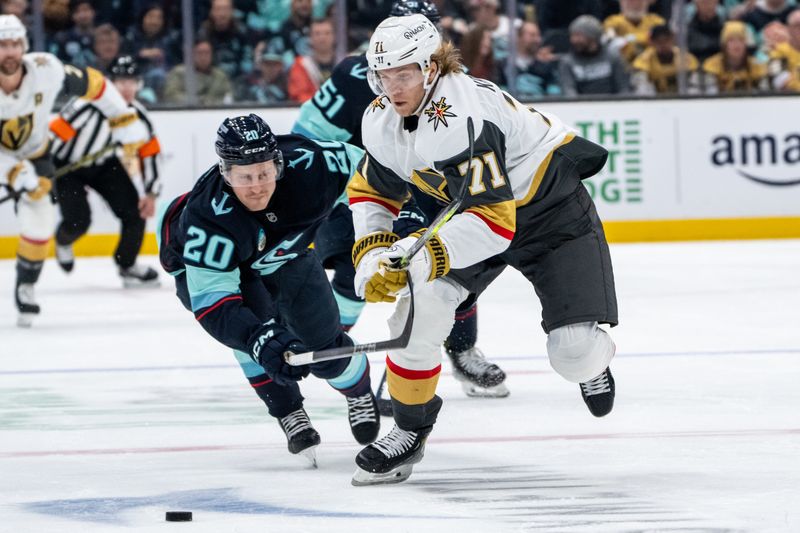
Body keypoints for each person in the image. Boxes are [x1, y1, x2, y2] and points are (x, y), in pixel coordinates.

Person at [348, 13, 617, 485]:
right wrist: (372, 253)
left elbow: (495, 224)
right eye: (384, 75)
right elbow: (373, 190)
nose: (393, 88)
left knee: (572, 353)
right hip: (470, 213)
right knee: (418, 310)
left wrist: (415, 255)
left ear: (432, 68)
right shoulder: (380, 119)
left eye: (404, 74)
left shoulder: (460, 115)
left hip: (549, 213)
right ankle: (409, 431)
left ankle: (590, 360)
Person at [292, 0, 510, 403]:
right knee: (353, 274)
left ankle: (452, 353)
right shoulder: (352, 75)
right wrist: (354, 180)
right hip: (362, 189)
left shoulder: (450, 83)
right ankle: (327, 348)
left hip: (427, 193)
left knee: (442, 269)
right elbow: (305, 134)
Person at [156, 114, 380, 464]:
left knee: (326, 350)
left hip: (289, 258)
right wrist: (256, 338)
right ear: (226, 173)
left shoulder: (311, 164)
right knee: (258, 338)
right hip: (227, 274)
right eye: (245, 177)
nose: (257, 186)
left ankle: (358, 390)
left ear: (279, 163)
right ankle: (287, 409)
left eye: (264, 172)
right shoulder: (208, 218)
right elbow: (215, 304)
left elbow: (375, 172)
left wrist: (409, 215)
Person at [0, 14, 148, 327]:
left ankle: (25, 285)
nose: (9, 52)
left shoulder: (46, 70)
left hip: (36, 156)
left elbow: (96, 84)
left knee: (38, 226)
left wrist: (122, 120)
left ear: (23, 46)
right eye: (2, 45)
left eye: (15, 44)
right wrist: (15, 174)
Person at [50, 55, 161, 286]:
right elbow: (54, 137)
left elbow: (149, 153)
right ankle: (63, 240)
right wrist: (46, 174)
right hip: (67, 167)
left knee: (135, 212)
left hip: (104, 166)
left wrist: (151, 192)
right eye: (121, 81)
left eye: (132, 81)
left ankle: (127, 265)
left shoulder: (138, 115)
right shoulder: (84, 105)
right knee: (79, 221)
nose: (127, 87)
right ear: (110, 83)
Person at [559, 15, 631, 96]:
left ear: (592, 37)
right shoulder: (567, 62)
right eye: (572, 36)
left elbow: (624, 88)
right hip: (581, 106)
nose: (574, 40)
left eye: (578, 35)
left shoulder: (613, 57)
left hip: (612, 105)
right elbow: (569, 91)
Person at [631, 24, 704, 95]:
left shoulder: (685, 57)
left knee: (694, 83)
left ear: (673, 39)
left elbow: (695, 85)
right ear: (652, 42)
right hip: (655, 99)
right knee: (641, 81)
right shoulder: (645, 58)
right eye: (658, 41)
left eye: (666, 40)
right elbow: (641, 87)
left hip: (682, 98)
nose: (663, 45)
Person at [702, 21, 769, 93]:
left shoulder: (757, 66)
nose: (736, 45)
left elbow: (764, 95)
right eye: (731, 40)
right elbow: (710, 97)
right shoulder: (712, 66)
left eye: (741, 40)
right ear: (724, 45)